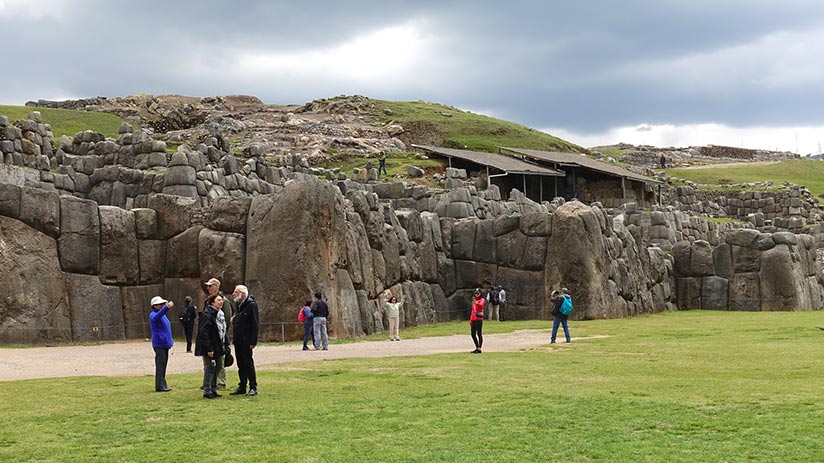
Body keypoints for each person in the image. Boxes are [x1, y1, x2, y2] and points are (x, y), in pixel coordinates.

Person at [230, 285, 259, 397]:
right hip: (238, 339)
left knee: (248, 363)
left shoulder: (251, 305)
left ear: (242, 294)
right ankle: (242, 385)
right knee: (240, 363)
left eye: (235, 292)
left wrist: (253, 341)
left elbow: (255, 323)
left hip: (246, 340)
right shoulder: (239, 305)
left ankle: (253, 387)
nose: (233, 294)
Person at [203, 278, 231, 390]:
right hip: (210, 335)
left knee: (220, 361)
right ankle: (209, 382)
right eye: (208, 286)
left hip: (220, 335)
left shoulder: (224, 301)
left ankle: (221, 382)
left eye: (210, 286)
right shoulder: (208, 301)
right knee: (208, 362)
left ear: (216, 287)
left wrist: (223, 336)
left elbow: (227, 320)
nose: (208, 288)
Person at [196, 294, 225, 399]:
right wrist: (209, 348)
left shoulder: (217, 314)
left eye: (222, 300)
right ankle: (207, 390)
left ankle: (213, 389)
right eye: (218, 300)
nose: (221, 302)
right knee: (210, 368)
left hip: (217, 345)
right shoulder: (207, 314)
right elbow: (203, 332)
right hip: (210, 346)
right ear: (213, 302)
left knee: (217, 367)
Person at [149, 296, 174, 392]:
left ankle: (163, 384)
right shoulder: (153, 315)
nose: (161, 306)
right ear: (154, 306)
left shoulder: (162, 315)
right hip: (159, 343)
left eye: (162, 304)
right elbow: (157, 317)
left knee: (163, 365)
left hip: (164, 343)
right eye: (160, 304)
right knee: (160, 365)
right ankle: (159, 385)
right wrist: (166, 307)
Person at [469, 288, 485, 354]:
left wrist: (476, 303)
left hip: (479, 319)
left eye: (478, 293)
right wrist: (470, 320)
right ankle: (477, 347)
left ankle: (479, 347)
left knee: (479, 333)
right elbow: (472, 310)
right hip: (473, 319)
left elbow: (481, 306)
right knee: (473, 334)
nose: (477, 294)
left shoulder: (482, 299)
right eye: (476, 293)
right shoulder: (474, 300)